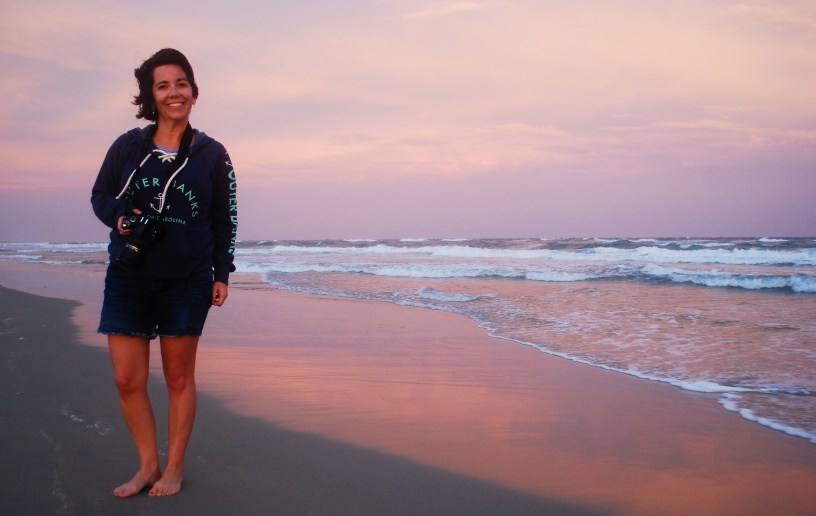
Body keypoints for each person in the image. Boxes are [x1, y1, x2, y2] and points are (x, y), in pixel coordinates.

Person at [91, 48, 237, 498]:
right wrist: (122, 218)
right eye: (163, 85)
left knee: (178, 378)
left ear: (194, 92)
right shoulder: (129, 147)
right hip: (129, 275)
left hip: (186, 280)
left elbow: (224, 219)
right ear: (150, 96)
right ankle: (147, 466)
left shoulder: (212, 154)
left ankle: (173, 468)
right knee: (126, 379)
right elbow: (100, 195)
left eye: (181, 83)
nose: (174, 92)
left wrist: (221, 273)